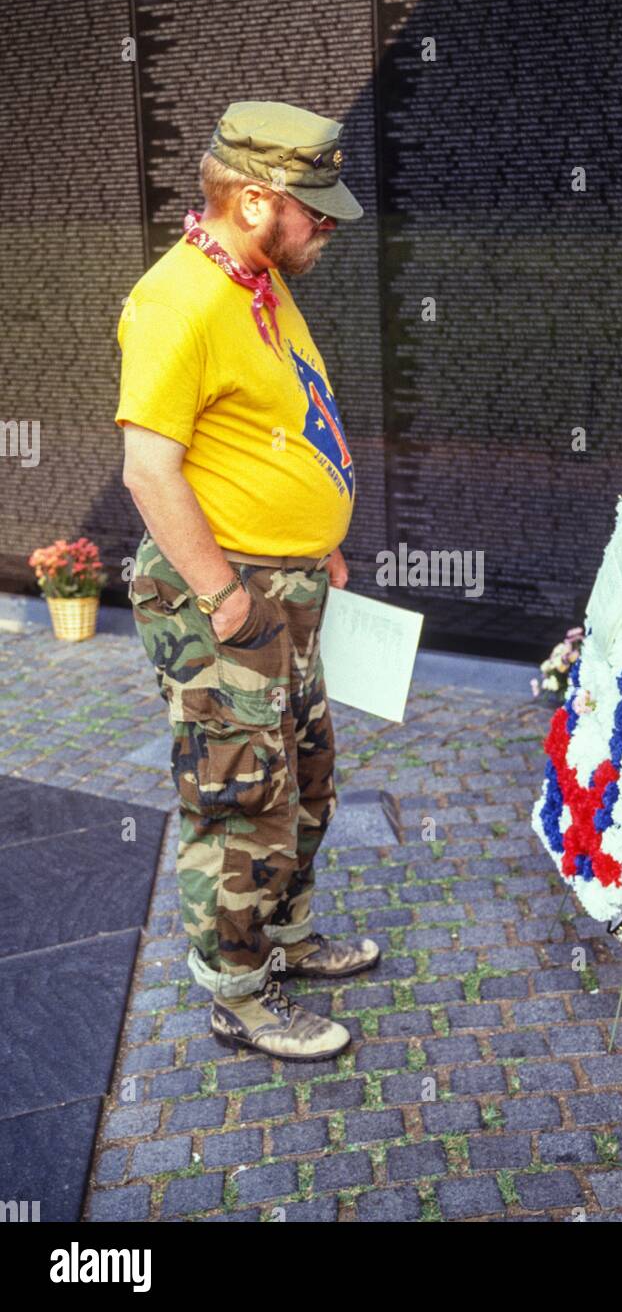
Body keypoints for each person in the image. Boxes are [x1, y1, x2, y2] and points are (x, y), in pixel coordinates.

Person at [115, 100, 378, 1063]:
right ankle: (238, 992)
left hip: (291, 584)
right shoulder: (176, 300)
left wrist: (319, 537)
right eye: (316, 209)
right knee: (240, 797)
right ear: (259, 202)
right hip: (224, 598)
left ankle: (290, 938)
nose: (330, 225)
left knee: (306, 774)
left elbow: (285, 419)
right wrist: (230, 599)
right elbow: (150, 470)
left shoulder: (257, 280)